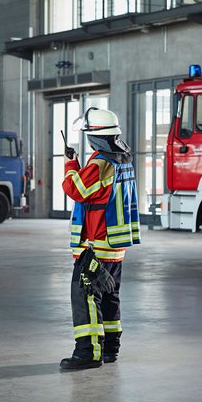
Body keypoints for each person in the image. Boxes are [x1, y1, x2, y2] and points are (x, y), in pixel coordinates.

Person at [59, 107, 140, 370]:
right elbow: (99, 192)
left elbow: (76, 189)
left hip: (94, 247)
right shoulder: (122, 158)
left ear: (94, 136)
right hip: (114, 247)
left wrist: (70, 164)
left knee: (85, 297)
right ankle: (109, 349)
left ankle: (88, 353)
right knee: (109, 296)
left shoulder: (101, 162)